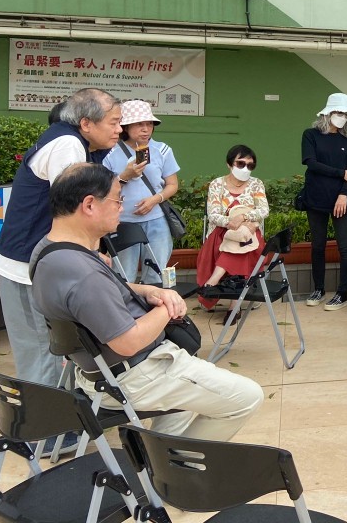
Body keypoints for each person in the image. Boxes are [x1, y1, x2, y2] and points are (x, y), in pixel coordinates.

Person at [31, 163, 263, 441]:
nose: (122, 206)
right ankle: (178, 469)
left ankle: (162, 462)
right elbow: (127, 342)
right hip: (138, 374)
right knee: (247, 397)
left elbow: (90, 294)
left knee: (190, 399)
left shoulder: (48, 251)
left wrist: (145, 290)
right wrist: (167, 307)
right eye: (118, 199)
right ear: (90, 205)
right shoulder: (83, 272)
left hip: (97, 374)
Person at [0, 88, 146, 393]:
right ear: (86, 123)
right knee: (41, 351)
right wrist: (90, 252)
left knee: (59, 351)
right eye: (114, 122)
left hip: (50, 263)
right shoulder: (67, 145)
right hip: (25, 267)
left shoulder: (79, 142)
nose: (120, 129)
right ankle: (45, 434)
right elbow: (78, 207)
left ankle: (59, 427)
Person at [102, 100, 181, 283]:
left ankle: (154, 310)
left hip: (157, 220)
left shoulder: (162, 150)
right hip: (122, 221)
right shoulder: (110, 153)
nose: (145, 129)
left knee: (156, 274)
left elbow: (172, 185)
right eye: (139, 124)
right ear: (126, 127)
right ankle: (124, 311)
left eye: (149, 124)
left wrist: (155, 199)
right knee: (124, 275)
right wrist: (125, 175)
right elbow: (103, 191)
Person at [301, 93, 347, 310]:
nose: (342, 116)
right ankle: (319, 288)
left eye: (345, 113)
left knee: (345, 247)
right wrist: (341, 173)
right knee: (318, 245)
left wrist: (344, 192)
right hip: (316, 198)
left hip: (342, 199)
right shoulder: (311, 135)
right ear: (327, 113)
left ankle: (343, 293)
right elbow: (311, 163)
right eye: (338, 112)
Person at [196, 145, 269, 316]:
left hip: (249, 234)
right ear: (229, 164)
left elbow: (264, 210)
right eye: (241, 163)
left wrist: (243, 219)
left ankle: (213, 281)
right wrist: (232, 223)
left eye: (250, 165)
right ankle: (234, 305)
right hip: (220, 234)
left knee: (242, 240)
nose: (245, 168)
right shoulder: (217, 184)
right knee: (239, 242)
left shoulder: (256, 184)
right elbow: (213, 214)